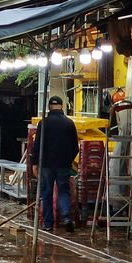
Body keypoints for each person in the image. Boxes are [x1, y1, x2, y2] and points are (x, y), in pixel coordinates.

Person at [30, 95, 79, 232]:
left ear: (49, 107)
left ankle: (48, 223)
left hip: (46, 164)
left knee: (46, 192)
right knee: (64, 191)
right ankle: (66, 218)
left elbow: (37, 145)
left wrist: (34, 163)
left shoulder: (43, 123)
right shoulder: (69, 123)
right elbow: (75, 147)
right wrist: (68, 160)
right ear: (62, 106)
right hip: (64, 164)